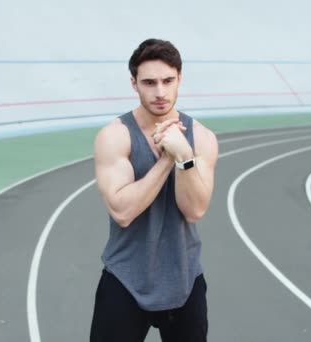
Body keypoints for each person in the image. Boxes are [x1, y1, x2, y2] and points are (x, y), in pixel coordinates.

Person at [90, 38, 219, 342]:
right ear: (134, 84)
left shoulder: (201, 137)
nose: (160, 92)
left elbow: (195, 209)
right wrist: (166, 159)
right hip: (125, 280)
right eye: (149, 82)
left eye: (167, 81)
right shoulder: (115, 136)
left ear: (180, 80)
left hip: (185, 280)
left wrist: (184, 156)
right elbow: (123, 212)